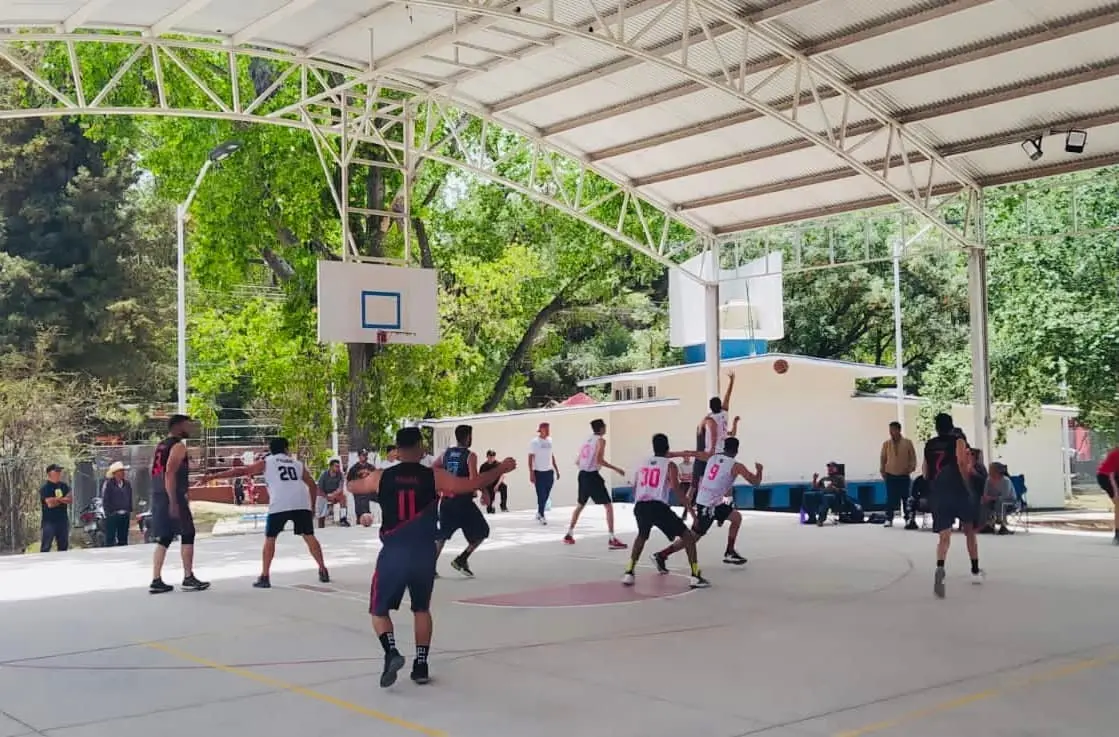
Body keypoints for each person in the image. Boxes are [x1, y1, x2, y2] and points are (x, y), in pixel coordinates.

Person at [347, 427, 516, 688]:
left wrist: (353, 480)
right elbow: (471, 484)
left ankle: (391, 651)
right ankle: (421, 664)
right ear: (418, 447)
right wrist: (501, 468)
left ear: (398, 449)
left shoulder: (380, 476)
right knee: (421, 608)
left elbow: (354, 486)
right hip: (424, 551)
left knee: (378, 610)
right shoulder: (433, 476)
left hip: (394, 551)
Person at [198, 438, 331, 588]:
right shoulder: (297, 464)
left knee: (270, 538)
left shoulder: (268, 462)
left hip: (280, 504)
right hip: (300, 503)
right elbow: (312, 485)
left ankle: (265, 576)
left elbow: (242, 471)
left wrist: (213, 476)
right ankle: (322, 568)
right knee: (309, 536)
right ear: (286, 449)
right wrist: (311, 506)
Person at [655, 437, 757, 571]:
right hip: (708, 505)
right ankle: (662, 555)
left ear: (724, 448)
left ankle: (730, 551)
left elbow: (692, 453)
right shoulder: (736, 466)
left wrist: (673, 454)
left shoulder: (712, 457)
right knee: (693, 537)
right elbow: (755, 481)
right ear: (736, 450)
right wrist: (759, 470)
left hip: (711, 501)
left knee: (736, 518)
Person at [623, 434, 708, 589]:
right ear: (668, 447)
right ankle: (695, 575)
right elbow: (676, 488)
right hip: (657, 506)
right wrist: (691, 512)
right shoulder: (670, 466)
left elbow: (635, 486)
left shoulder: (643, 463)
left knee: (641, 536)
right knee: (688, 537)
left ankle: (629, 571)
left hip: (641, 505)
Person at [924, 413, 984, 598]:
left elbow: (925, 471)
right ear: (952, 426)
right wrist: (969, 485)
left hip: (938, 493)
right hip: (958, 491)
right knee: (969, 531)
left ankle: (940, 569)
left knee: (944, 537)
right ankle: (975, 570)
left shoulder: (930, 445)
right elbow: (962, 464)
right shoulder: (958, 441)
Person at [149, 415, 210, 594]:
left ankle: (156, 579)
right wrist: (174, 501)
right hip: (172, 495)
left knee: (165, 537)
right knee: (188, 533)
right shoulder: (178, 446)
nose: (189, 429)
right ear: (177, 427)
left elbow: (155, 470)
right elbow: (169, 473)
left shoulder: (161, 445)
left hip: (158, 494)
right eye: (186, 425)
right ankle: (188, 577)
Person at [432, 424, 489, 577]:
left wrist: (443, 482)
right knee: (483, 531)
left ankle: (429, 567)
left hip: (447, 501)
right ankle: (462, 559)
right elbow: (474, 479)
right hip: (463, 501)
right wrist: (484, 492)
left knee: (442, 535)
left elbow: (434, 467)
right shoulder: (470, 456)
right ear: (468, 437)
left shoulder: (446, 454)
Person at [565, 418, 627, 549]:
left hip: (582, 475)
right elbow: (599, 460)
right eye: (604, 426)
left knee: (580, 505)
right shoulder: (601, 441)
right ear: (601, 428)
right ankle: (611, 538)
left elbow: (577, 460)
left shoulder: (587, 439)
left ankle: (569, 533)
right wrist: (617, 469)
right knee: (608, 506)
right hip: (592, 476)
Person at [685, 371, 736, 521]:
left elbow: (705, 434)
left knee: (699, 483)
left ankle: (694, 509)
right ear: (720, 405)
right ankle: (726, 504)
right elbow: (728, 397)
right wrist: (732, 382)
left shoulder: (708, 419)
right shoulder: (725, 414)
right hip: (722, 453)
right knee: (724, 479)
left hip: (709, 453)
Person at [880, 421, 917, 527]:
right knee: (890, 497)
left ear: (899, 430)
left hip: (904, 474)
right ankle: (889, 518)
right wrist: (882, 470)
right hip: (890, 474)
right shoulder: (886, 444)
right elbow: (883, 458)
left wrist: (910, 468)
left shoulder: (907, 443)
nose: (891, 432)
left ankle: (908, 518)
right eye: (890, 430)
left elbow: (913, 458)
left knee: (905, 497)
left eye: (893, 430)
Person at [528, 422, 560, 525]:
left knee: (546, 494)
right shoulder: (535, 442)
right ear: (541, 429)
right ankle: (541, 514)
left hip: (549, 472)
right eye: (546, 428)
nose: (548, 430)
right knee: (541, 494)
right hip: (539, 472)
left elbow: (552, 455)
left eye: (549, 428)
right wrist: (531, 473)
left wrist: (556, 469)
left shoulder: (550, 440)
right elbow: (530, 457)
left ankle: (539, 511)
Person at [39, 464, 72, 553]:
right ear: (50, 473)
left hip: (63, 520)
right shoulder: (45, 488)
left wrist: (56, 500)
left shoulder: (64, 486)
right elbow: (49, 504)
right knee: (46, 546)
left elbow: (69, 499)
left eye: (59, 471)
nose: (59, 473)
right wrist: (61, 500)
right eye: (57, 471)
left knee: (63, 547)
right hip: (49, 521)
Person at [100, 461, 133, 546]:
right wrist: (109, 513)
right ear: (114, 473)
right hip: (112, 515)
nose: (122, 473)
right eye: (120, 471)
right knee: (110, 538)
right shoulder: (108, 484)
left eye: (123, 471)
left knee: (123, 538)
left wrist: (129, 510)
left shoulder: (127, 484)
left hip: (124, 515)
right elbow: (105, 499)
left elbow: (129, 496)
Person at [978, 462, 1016, 535]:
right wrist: (985, 497)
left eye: (991, 470)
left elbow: (1005, 496)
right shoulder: (988, 480)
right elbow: (985, 493)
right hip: (993, 501)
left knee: (1001, 502)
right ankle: (988, 524)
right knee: (983, 501)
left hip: (1010, 502)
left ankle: (1003, 525)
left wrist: (991, 498)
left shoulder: (1005, 481)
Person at [1096, 445, 1119, 544]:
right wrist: (1116, 493)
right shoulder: (1116, 453)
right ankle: (1117, 536)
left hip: (1114, 476)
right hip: (1107, 477)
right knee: (1118, 504)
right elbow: (1111, 474)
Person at [316, 458, 345, 529]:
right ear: (331, 467)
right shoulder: (324, 475)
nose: (338, 468)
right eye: (336, 466)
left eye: (339, 466)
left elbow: (341, 487)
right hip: (324, 494)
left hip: (334, 494)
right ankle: (321, 524)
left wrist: (334, 494)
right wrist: (327, 496)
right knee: (320, 500)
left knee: (343, 497)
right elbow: (319, 489)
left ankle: (343, 519)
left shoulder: (340, 474)